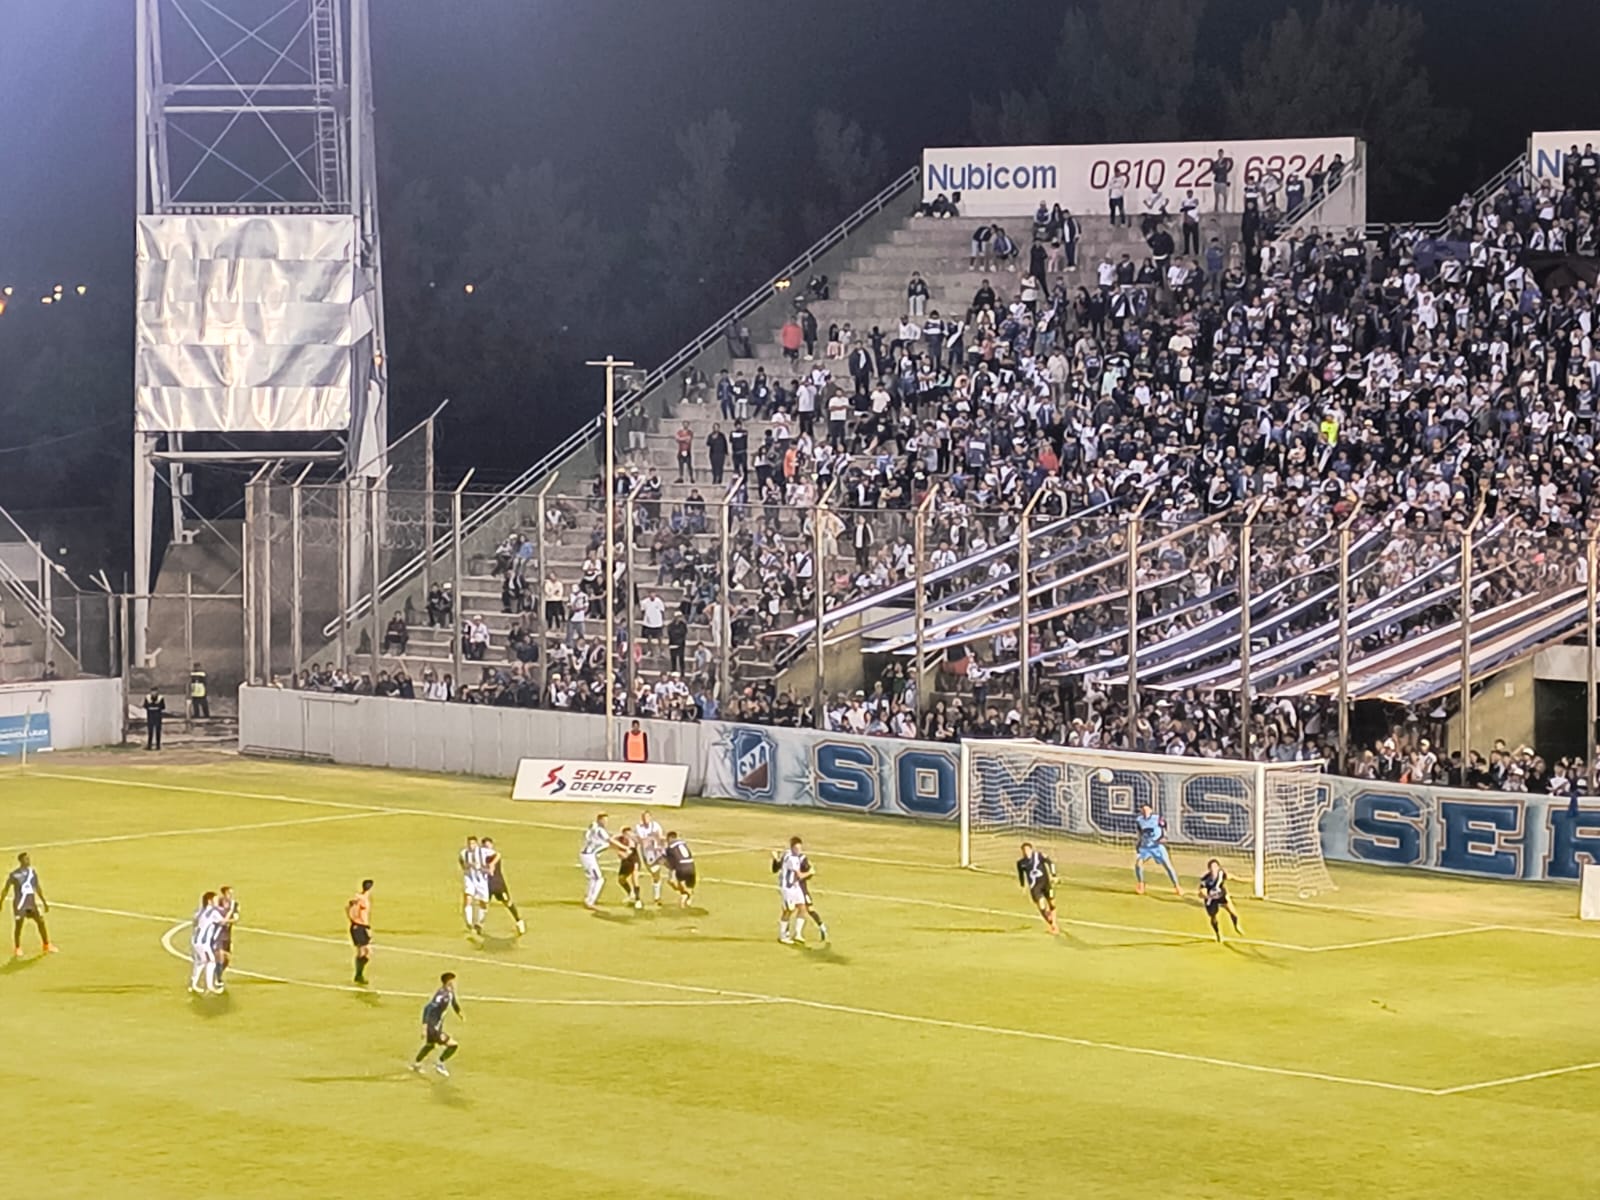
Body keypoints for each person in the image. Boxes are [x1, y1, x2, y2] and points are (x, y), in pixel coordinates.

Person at [410, 972, 463, 1077]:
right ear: (448, 982)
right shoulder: (441, 995)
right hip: (433, 1027)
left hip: (436, 1026)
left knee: (430, 1045)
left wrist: (459, 1013)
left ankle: (416, 1064)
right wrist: (425, 1027)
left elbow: (454, 1003)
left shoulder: (450, 992)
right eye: (453, 981)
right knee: (453, 1045)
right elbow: (428, 1008)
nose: (455, 983)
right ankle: (440, 1063)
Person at [2, 852, 54, 957]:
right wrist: (1, 902)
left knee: (41, 922)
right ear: (21, 861)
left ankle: (46, 945)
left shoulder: (32, 872)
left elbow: (37, 887)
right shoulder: (14, 875)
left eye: (28, 859)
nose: (28, 861)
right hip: (20, 904)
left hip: (31, 903)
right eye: (26, 859)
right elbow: (6, 889)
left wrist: (44, 902)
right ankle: (17, 948)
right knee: (19, 925)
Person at [772, 836, 816, 945]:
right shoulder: (793, 859)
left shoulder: (786, 853)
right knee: (788, 910)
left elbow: (778, 866)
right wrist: (810, 872)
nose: (798, 851)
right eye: (796, 849)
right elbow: (800, 876)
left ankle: (798, 934)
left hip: (795, 886)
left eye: (800, 848)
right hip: (788, 888)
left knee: (802, 907)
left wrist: (776, 859)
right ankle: (783, 936)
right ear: (792, 848)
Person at [479, 837, 525, 935]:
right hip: (487, 886)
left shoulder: (495, 855)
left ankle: (519, 921)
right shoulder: (480, 858)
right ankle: (479, 925)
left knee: (507, 902)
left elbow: (497, 857)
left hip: (499, 884)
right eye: (485, 846)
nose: (487, 848)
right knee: (483, 905)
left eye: (488, 846)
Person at [1134, 803, 1182, 895]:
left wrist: (1164, 837)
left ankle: (1177, 886)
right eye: (1143, 810)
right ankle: (1141, 884)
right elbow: (1140, 833)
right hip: (1145, 847)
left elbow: (1164, 828)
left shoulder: (1157, 818)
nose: (1145, 812)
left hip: (1157, 846)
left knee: (1168, 866)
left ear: (1151, 810)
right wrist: (1138, 843)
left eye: (1147, 810)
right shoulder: (1139, 820)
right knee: (1138, 864)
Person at [1015, 841, 1059, 935]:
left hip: (1046, 884)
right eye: (1024, 850)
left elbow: (1050, 863)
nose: (1026, 852)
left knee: (1052, 903)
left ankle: (1054, 924)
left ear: (1031, 849)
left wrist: (1054, 875)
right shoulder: (1021, 863)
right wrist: (1022, 885)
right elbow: (1021, 875)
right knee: (1042, 906)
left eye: (1027, 850)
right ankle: (1052, 924)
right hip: (1035, 887)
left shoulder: (1039, 856)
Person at [579, 813, 619, 911]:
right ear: (599, 820)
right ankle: (590, 901)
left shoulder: (593, 826)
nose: (605, 822)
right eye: (604, 820)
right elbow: (610, 841)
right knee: (598, 879)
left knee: (593, 878)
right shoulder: (600, 831)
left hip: (587, 855)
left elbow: (608, 844)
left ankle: (588, 898)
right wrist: (625, 848)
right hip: (589, 856)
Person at [1198, 859, 1242, 942]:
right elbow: (1200, 893)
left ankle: (1236, 926)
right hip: (1211, 899)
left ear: (1218, 867)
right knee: (1213, 917)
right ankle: (1218, 934)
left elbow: (1231, 877)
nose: (1213, 869)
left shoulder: (1221, 873)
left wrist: (1245, 880)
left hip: (1221, 895)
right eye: (1211, 867)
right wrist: (1204, 894)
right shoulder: (1205, 879)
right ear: (1209, 869)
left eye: (1215, 867)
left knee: (1233, 912)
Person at [188, 891, 221, 994]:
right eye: (215, 899)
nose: (217, 901)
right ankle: (210, 987)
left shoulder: (199, 911)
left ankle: (193, 984)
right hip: (203, 943)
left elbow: (194, 922)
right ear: (210, 901)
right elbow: (223, 921)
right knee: (211, 961)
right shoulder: (213, 912)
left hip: (195, 941)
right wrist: (232, 916)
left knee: (200, 962)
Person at [633, 809, 666, 905]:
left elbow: (660, 837)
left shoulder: (655, 825)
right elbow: (642, 840)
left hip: (657, 852)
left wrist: (663, 841)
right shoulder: (639, 827)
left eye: (647, 817)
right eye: (644, 817)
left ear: (650, 817)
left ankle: (657, 897)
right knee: (654, 872)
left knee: (657, 874)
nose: (645, 819)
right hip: (647, 854)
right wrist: (652, 837)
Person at [459, 836, 489, 936]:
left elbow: (496, 856)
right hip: (469, 879)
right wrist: (466, 866)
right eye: (469, 844)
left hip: (481, 881)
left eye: (472, 844)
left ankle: (479, 924)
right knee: (468, 898)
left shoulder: (483, 852)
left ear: (476, 844)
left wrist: (486, 868)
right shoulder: (464, 853)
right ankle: (469, 924)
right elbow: (461, 863)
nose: (471, 846)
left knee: (483, 903)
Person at [348, 878, 373, 984]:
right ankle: (358, 975)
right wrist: (354, 920)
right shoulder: (359, 898)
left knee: (368, 952)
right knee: (362, 951)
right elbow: (349, 908)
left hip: (364, 927)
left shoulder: (364, 898)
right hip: (358, 927)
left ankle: (359, 974)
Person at [213, 884, 239, 989]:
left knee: (227, 959)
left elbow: (236, 918)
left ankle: (216, 973)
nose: (230, 895)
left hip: (227, 934)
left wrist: (225, 921)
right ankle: (218, 979)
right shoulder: (217, 903)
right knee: (220, 956)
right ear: (223, 894)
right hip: (216, 934)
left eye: (231, 893)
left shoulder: (234, 904)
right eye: (229, 893)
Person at [662, 830, 696, 907]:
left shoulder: (669, 847)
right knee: (687, 888)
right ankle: (686, 900)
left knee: (674, 883)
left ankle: (689, 894)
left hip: (681, 868)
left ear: (669, 838)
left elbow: (667, 862)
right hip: (691, 866)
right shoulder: (683, 843)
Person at [614, 828, 643, 910]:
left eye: (629, 834)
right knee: (621, 879)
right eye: (626, 834)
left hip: (633, 861)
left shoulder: (633, 842)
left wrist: (622, 853)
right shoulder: (620, 839)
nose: (628, 835)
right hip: (625, 863)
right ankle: (630, 894)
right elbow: (611, 840)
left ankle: (638, 900)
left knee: (635, 879)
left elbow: (627, 853)